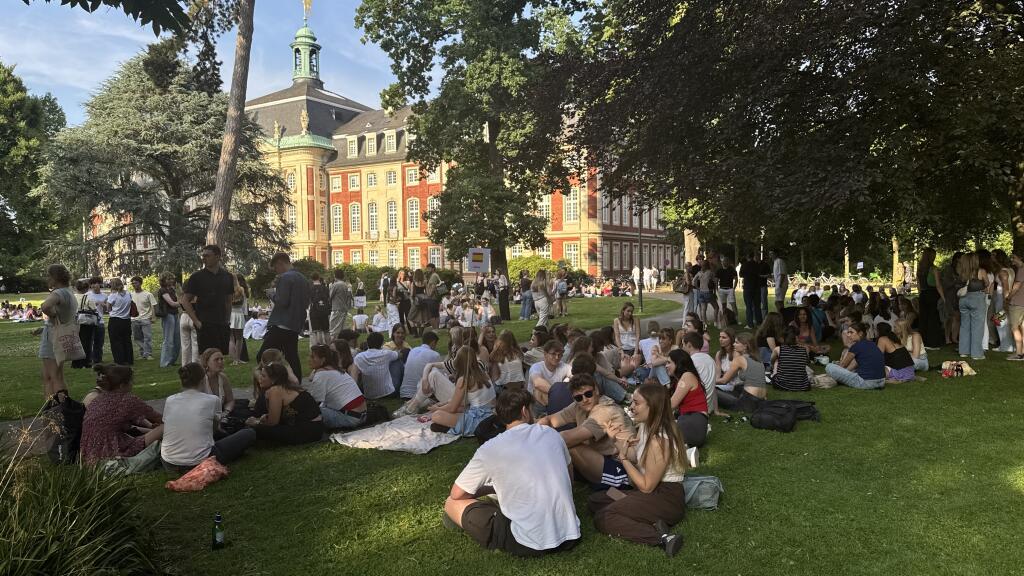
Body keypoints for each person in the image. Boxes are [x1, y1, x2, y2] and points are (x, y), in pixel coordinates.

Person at [443, 388, 581, 557]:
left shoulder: (490, 448)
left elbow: (457, 493)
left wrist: (487, 489)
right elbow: (569, 475)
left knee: (451, 503)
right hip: (570, 533)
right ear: (525, 411)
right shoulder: (551, 434)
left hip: (528, 542)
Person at [588, 383, 686, 557]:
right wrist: (614, 440)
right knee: (596, 499)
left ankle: (663, 537)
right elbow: (637, 458)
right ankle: (651, 520)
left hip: (666, 497)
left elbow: (646, 486)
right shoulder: (647, 426)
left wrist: (623, 459)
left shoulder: (658, 441)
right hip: (653, 493)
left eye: (636, 403)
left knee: (604, 517)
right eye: (632, 401)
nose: (631, 406)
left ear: (652, 406)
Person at [538, 373, 636, 488]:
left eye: (588, 394)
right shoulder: (578, 406)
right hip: (602, 458)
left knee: (571, 447)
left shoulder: (605, 411)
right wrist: (530, 429)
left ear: (596, 391)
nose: (584, 400)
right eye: (578, 398)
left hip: (625, 467)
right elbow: (550, 420)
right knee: (562, 445)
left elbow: (567, 438)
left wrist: (533, 441)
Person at [160, 363, 257, 474]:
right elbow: (215, 429)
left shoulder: (170, 400)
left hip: (168, 462)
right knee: (249, 433)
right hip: (200, 462)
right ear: (203, 380)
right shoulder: (212, 400)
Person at [80, 364, 163, 465]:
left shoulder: (98, 399)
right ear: (122, 385)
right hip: (111, 452)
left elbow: (126, 426)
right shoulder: (127, 400)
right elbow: (160, 418)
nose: (133, 384)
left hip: (89, 455)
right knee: (165, 427)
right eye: (131, 381)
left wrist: (151, 427)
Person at [257, 253, 311, 379]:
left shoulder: (285, 278)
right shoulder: (303, 278)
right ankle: (295, 383)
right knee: (291, 357)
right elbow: (306, 301)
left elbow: (282, 301)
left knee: (263, 356)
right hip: (295, 323)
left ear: (280, 263)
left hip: (282, 323)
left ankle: (270, 381)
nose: (276, 272)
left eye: (276, 268)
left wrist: (271, 294)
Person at [422, 346, 496, 436]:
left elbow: (452, 408)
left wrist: (436, 409)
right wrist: (444, 405)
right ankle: (451, 425)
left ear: (458, 362)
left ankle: (452, 428)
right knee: (459, 408)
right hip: (491, 414)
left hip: (477, 419)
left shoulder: (464, 379)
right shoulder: (483, 372)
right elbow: (460, 404)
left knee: (436, 415)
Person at [245, 362, 324, 445]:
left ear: (273, 379)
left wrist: (256, 422)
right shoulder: (287, 386)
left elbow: (273, 423)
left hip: (307, 430)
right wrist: (265, 418)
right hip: (316, 428)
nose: (260, 378)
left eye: (263, 376)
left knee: (256, 429)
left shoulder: (275, 390)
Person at [182, 244, 235, 355]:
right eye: (203, 256)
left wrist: (227, 320)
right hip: (205, 323)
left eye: (207, 256)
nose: (204, 259)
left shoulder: (227, 276)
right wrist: (196, 322)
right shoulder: (197, 277)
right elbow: (185, 300)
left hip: (222, 323)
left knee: (220, 356)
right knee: (206, 356)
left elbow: (228, 300)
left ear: (217, 257)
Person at [38, 264, 78, 397]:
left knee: (53, 376)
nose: (47, 279)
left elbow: (45, 306)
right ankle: (58, 405)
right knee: (53, 375)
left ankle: (57, 407)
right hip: (62, 333)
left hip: (53, 335)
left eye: (49, 276)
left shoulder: (59, 293)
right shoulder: (68, 292)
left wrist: (53, 315)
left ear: (55, 277)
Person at [306, 344, 367, 430]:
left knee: (307, 411)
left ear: (323, 360)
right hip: (361, 415)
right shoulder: (336, 369)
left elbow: (313, 403)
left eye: (312, 357)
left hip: (350, 418)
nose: (309, 359)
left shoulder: (321, 374)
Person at [667, 349, 708, 448]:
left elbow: (671, 404)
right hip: (691, 421)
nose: (666, 366)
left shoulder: (687, 376)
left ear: (678, 363)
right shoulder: (681, 379)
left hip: (693, 422)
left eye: (669, 362)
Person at [826, 323, 886, 389]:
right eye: (848, 332)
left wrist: (836, 367)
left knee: (829, 366)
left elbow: (843, 365)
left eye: (851, 332)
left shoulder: (856, 346)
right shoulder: (872, 344)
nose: (848, 335)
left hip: (866, 383)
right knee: (852, 370)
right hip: (881, 381)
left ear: (860, 333)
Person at [957, 252, 988, 360]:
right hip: (977, 299)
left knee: (964, 326)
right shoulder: (981, 271)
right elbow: (987, 283)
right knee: (977, 327)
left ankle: (963, 351)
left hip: (963, 299)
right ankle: (976, 354)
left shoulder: (961, 271)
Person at [678, 331, 717, 415]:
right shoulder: (710, 359)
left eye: (683, 344)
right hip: (708, 408)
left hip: (696, 408)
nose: (682, 347)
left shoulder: (691, 362)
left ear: (689, 345)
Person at [528, 340, 572, 411]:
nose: (557, 357)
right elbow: (537, 383)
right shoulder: (536, 367)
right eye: (553, 354)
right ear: (545, 354)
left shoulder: (563, 366)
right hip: (536, 404)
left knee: (568, 380)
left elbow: (575, 375)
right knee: (538, 391)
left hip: (555, 400)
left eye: (560, 355)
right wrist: (559, 393)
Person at [353, 331, 399, 399]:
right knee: (397, 362)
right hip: (389, 393)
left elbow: (355, 376)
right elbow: (399, 355)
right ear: (382, 343)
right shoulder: (386, 353)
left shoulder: (359, 357)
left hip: (369, 395)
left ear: (367, 343)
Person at [917, 247, 946, 348]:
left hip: (923, 295)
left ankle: (923, 341)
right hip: (933, 295)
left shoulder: (919, 269)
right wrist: (943, 298)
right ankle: (933, 342)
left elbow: (919, 285)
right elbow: (938, 285)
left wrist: (921, 294)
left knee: (923, 318)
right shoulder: (934, 269)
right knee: (933, 319)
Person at [399, 331, 442, 399]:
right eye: (436, 344)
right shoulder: (435, 355)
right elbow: (441, 377)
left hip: (404, 393)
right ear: (433, 342)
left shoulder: (412, 350)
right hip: (419, 396)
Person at [769, 327, 811, 392]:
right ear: (797, 338)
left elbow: (772, 361)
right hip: (803, 386)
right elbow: (805, 362)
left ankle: (773, 374)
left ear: (783, 338)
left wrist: (773, 367)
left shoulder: (778, 349)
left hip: (781, 385)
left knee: (776, 361)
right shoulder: (805, 349)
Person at [128, 276, 158, 361]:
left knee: (147, 337)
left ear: (140, 283)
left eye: (136, 283)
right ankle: (143, 353)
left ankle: (148, 354)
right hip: (134, 319)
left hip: (145, 318)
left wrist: (153, 316)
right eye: (133, 283)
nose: (134, 285)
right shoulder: (130, 295)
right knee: (137, 338)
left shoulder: (148, 294)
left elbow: (153, 306)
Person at [106, 278, 134, 365]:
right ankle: (129, 359)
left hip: (115, 320)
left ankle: (119, 360)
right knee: (127, 340)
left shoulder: (113, 295)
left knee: (116, 341)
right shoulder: (128, 294)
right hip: (126, 320)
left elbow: (108, 307)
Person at [199, 347, 234, 414]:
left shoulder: (223, 378)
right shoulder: (200, 380)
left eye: (222, 359)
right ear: (207, 362)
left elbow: (230, 400)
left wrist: (226, 412)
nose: (220, 362)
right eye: (216, 359)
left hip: (221, 414)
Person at [157, 272, 182, 368]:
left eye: (172, 279)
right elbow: (172, 303)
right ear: (163, 280)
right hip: (168, 315)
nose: (171, 280)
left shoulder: (172, 289)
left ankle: (172, 360)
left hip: (175, 314)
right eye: (168, 279)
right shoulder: (162, 290)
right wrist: (184, 302)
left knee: (177, 339)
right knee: (168, 339)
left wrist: (179, 292)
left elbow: (179, 298)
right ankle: (165, 362)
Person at [71, 279, 97, 369]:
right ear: (86, 289)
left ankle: (75, 363)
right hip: (86, 322)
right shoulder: (88, 298)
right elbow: (94, 309)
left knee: (75, 342)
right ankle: (86, 362)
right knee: (86, 342)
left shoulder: (72, 298)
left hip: (73, 321)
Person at [86, 277, 108, 365]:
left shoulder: (104, 296)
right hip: (89, 320)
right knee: (89, 341)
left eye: (96, 283)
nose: (94, 285)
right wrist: (94, 304)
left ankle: (98, 359)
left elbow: (106, 310)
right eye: (92, 284)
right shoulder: (87, 295)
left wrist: (104, 305)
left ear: (100, 284)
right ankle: (88, 359)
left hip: (100, 321)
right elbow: (83, 307)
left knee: (99, 342)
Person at [228, 273, 250, 364]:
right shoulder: (241, 289)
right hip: (239, 313)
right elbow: (244, 304)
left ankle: (234, 360)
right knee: (239, 338)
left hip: (229, 314)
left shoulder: (227, 289)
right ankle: (237, 359)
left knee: (231, 338)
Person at [1007, 252, 1024, 360]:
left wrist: (1009, 297)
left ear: (1020, 257)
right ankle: (1021, 352)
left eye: (1014, 257)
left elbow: (1017, 286)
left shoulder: (1021, 269)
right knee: (1022, 327)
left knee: (1014, 327)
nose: (1012, 260)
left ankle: (1018, 354)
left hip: (1017, 302)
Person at [308, 272, 331, 346]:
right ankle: (328, 346)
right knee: (326, 331)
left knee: (316, 331)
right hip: (324, 311)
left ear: (312, 279)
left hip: (314, 311)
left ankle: (318, 348)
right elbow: (328, 298)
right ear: (319, 278)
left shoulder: (310, 288)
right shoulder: (325, 288)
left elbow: (308, 300)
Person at [329, 269, 353, 339]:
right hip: (344, 308)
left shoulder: (335, 285)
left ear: (335, 275)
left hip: (336, 308)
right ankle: (340, 341)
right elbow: (348, 296)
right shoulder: (346, 285)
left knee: (333, 327)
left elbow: (330, 296)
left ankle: (333, 342)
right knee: (341, 327)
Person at [716, 256, 738, 326]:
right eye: (723, 261)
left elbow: (736, 279)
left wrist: (734, 288)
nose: (724, 263)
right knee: (723, 305)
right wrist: (716, 288)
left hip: (730, 289)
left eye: (725, 261)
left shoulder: (732, 270)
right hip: (722, 289)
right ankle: (725, 319)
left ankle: (736, 319)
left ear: (728, 262)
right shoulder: (719, 270)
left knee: (733, 304)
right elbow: (716, 280)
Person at [424, 263, 442, 329]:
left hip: (432, 298)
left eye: (429, 268)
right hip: (435, 298)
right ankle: (437, 329)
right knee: (436, 314)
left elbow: (433, 287)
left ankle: (435, 329)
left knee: (432, 315)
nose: (427, 270)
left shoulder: (434, 276)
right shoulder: (435, 275)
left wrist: (429, 295)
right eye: (427, 268)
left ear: (433, 269)